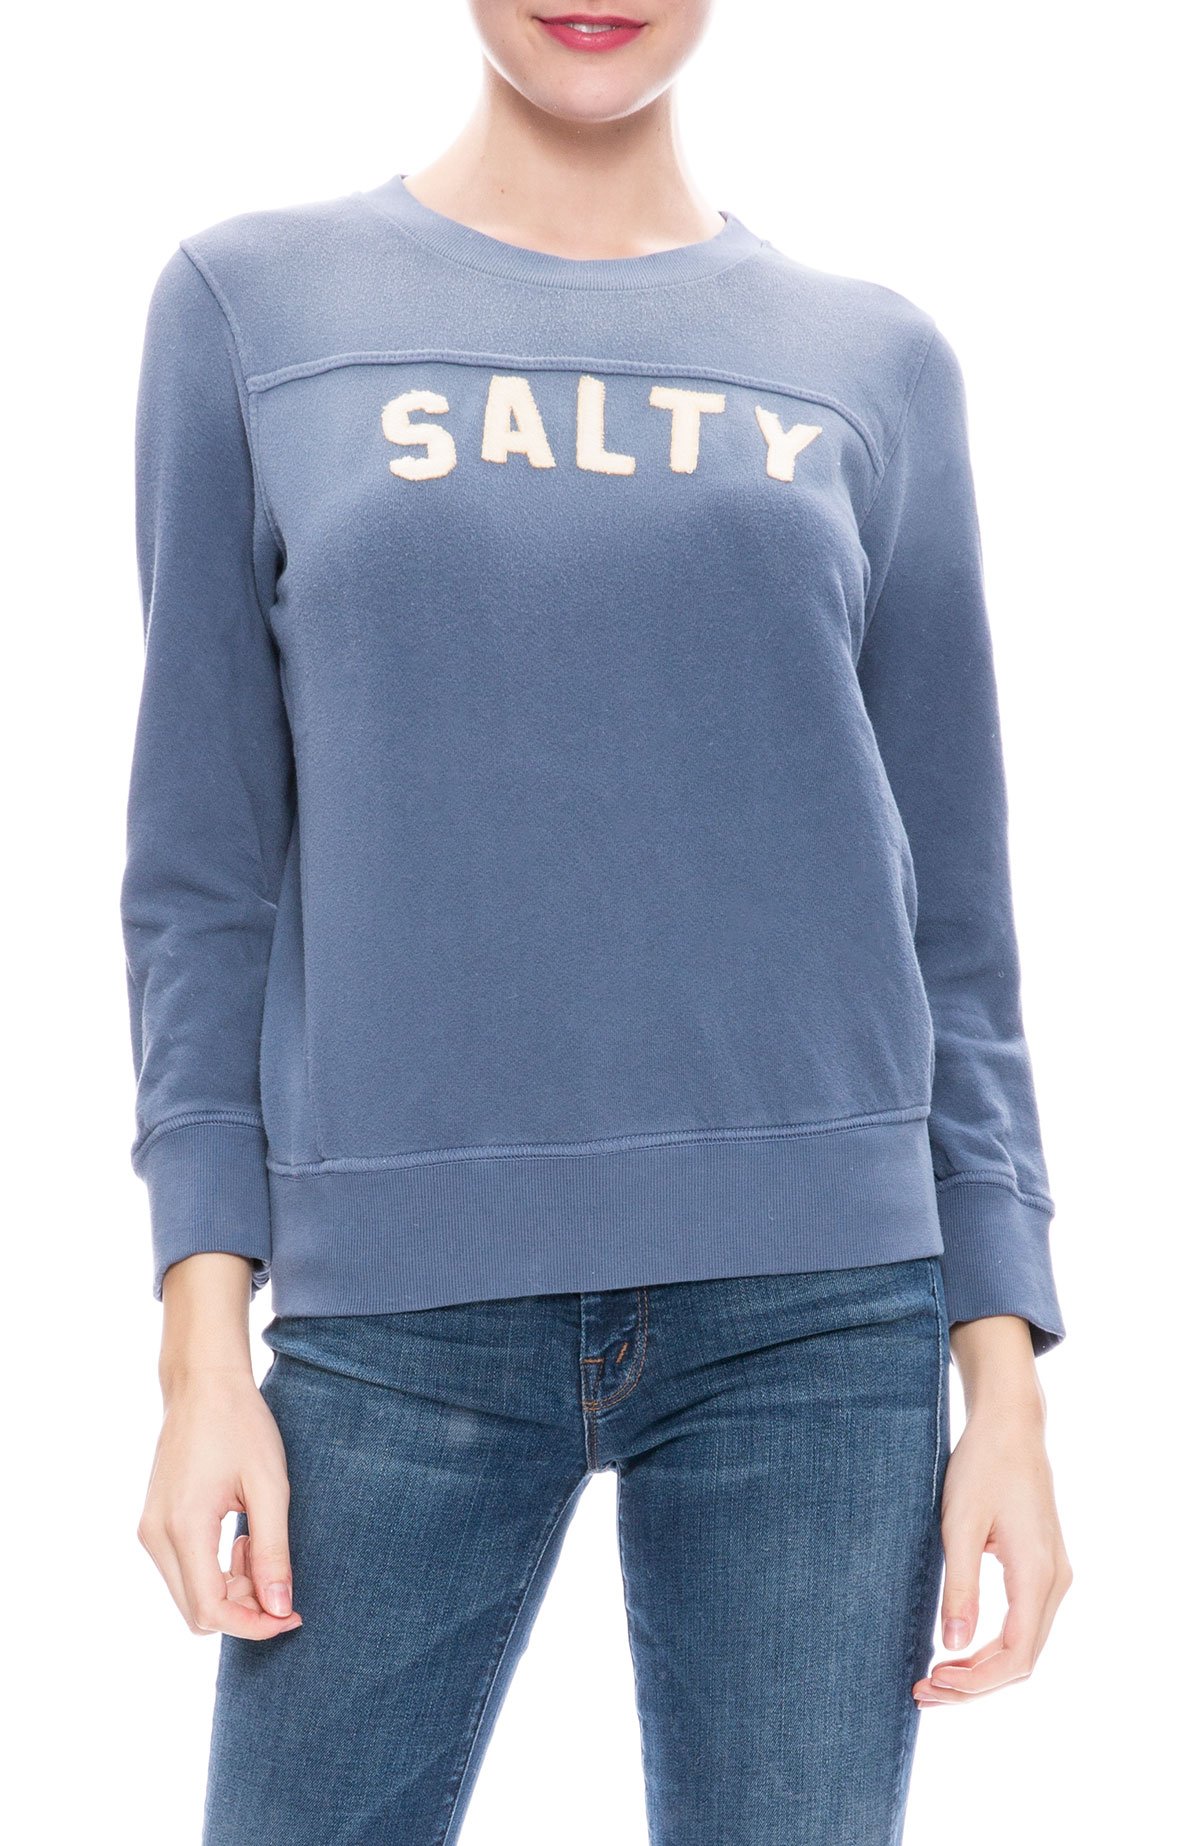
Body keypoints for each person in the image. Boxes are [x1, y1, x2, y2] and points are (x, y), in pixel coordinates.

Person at [121, 3, 1072, 1840]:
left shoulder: (873, 360)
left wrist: (1008, 1388)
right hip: (392, 1307)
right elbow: (201, 874)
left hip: (821, 1320)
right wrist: (198, 1353)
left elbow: (955, 913)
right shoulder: (251, 310)